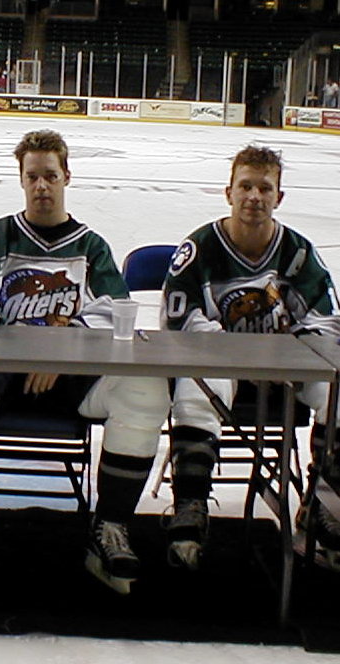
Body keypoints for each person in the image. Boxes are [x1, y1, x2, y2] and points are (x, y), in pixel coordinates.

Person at [0, 129, 170, 593]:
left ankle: (110, 526)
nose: (42, 185)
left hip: (71, 377)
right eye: (33, 176)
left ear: (66, 177)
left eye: (51, 176)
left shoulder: (90, 246)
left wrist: (65, 349)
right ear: (21, 180)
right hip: (3, 373)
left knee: (146, 390)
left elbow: (114, 312)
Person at [161, 145, 340, 571]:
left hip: (284, 375)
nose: (254, 196)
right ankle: (190, 504)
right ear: (229, 192)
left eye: (265, 188)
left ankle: (320, 503)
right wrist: (234, 354)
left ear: (279, 197)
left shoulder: (297, 252)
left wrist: (286, 356)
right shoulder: (200, 248)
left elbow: (327, 322)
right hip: (220, 369)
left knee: (337, 396)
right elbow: (177, 319)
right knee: (196, 389)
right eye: (245, 186)